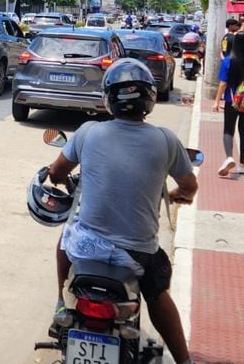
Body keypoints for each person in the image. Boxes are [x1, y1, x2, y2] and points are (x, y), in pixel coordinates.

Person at [47, 59, 198, 364]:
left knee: (65, 236)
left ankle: (61, 302)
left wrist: (62, 179)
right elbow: (189, 186)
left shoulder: (88, 131)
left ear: (108, 98)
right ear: (150, 99)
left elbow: (55, 173)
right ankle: (184, 361)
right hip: (140, 254)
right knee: (157, 295)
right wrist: (175, 195)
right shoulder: (166, 140)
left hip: (87, 248)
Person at [214, 32, 244, 176]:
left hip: (231, 99)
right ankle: (242, 164)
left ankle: (229, 157)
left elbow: (223, 83)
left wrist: (216, 101)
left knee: (229, 129)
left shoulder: (228, 61)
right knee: (243, 130)